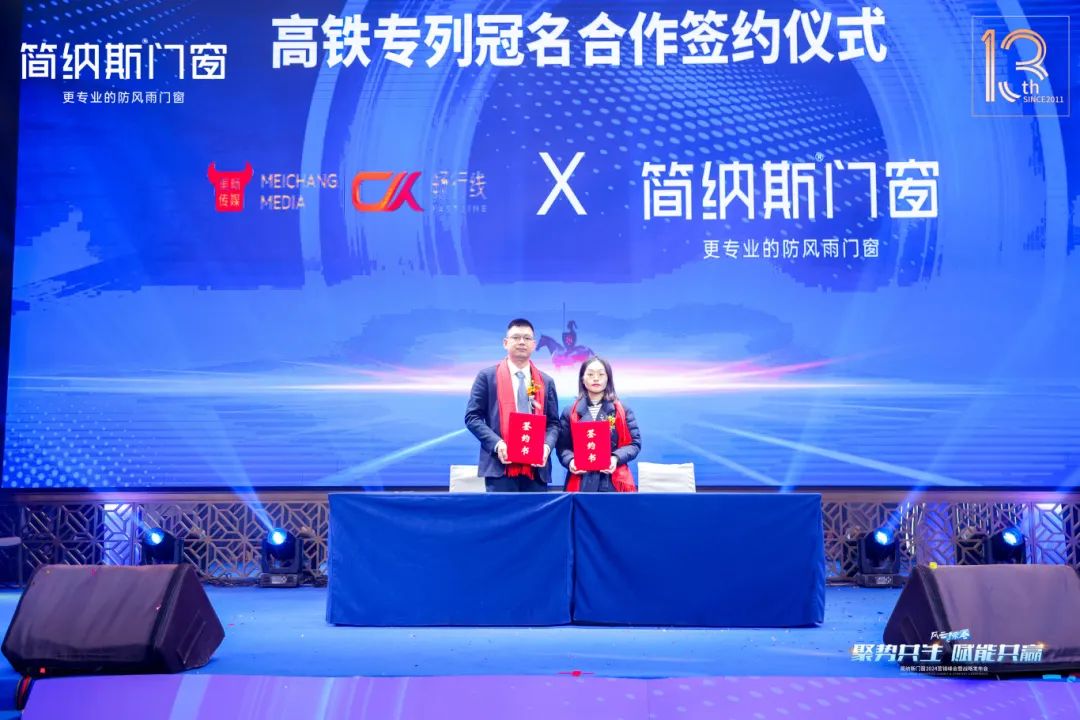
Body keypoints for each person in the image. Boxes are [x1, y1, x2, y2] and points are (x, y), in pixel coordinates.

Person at [465, 318, 560, 492]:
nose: (522, 342)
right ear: (505, 343)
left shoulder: (546, 381)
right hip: (500, 465)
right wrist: (498, 444)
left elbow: (554, 424)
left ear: (534, 345)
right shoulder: (487, 377)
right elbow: (472, 417)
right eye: (516, 337)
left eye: (527, 338)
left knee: (536, 511)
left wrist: (546, 447)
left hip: (536, 467)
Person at [557, 356, 641, 492]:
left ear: (608, 378)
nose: (596, 379)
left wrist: (615, 458)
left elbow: (634, 444)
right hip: (581, 480)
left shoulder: (622, 410)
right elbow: (562, 447)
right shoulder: (570, 411)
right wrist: (571, 461)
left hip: (612, 481)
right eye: (590, 374)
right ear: (582, 379)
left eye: (601, 374)